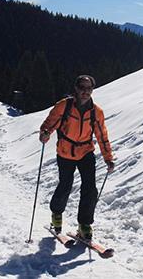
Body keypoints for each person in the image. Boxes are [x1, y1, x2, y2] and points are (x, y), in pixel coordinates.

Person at [39, 75, 115, 240]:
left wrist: (108, 158)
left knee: (90, 188)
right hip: (65, 151)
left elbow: (102, 136)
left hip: (86, 152)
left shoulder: (96, 112)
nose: (85, 92)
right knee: (65, 185)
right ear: (76, 88)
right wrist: (45, 133)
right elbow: (49, 123)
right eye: (82, 88)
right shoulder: (64, 106)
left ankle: (84, 224)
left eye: (89, 88)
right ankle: (56, 213)